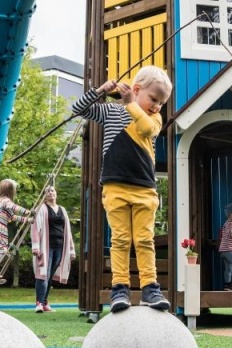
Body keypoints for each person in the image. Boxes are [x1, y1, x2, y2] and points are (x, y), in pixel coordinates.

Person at [72, 65, 173, 313]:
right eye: (154, 99)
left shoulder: (153, 118)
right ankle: (120, 289)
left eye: (161, 102)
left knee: (144, 240)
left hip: (145, 190)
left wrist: (131, 104)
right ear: (137, 89)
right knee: (120, 240)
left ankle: (150, 288)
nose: (158, 106)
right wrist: (100, 90)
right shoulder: (111, 112)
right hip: (115, 187)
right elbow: (78, 109)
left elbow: (147, 130)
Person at [30, 185, 76, 313]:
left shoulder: (62, 210)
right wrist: (35, 246)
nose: (50, 192)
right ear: (45, 195)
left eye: (52, 190)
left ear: (56, 193)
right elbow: (35, 227)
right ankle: (39, 302)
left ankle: (45, 303)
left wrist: (71, 250)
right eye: (47, 191)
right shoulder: (42, 209)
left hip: (60, 247)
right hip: (46, 246)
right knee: (43, 274)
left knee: (49, 275)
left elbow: (68, 231)